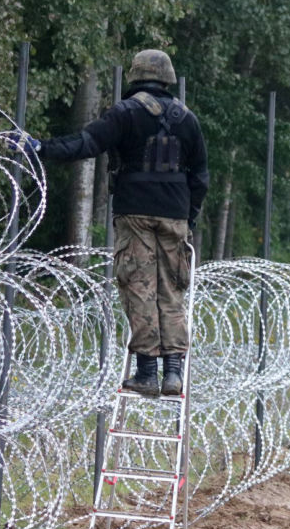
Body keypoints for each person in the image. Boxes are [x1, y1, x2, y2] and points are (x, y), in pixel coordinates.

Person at [11, 49, 208, 397]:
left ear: (134, 77)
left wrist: (39, 148)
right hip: (175, 215)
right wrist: (188, 217)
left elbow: (85, 144)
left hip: (135, 212)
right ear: (167, 79)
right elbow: (200, 176)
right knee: (171, 291)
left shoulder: (125, 113)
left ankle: (147, 372)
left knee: (140, 288)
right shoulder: (188, 119)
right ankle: (174, 372)